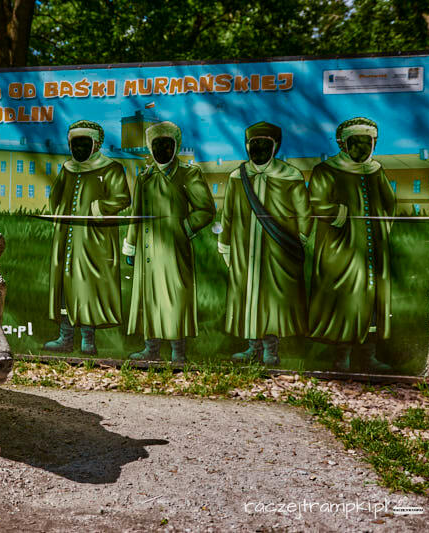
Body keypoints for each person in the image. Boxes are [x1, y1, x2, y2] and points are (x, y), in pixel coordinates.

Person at [218, 121, 311, 365]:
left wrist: (299, 240)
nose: (258, 149)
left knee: (274, 298)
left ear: (275, 146)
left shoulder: (291, 175)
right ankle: (252, 346)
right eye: (254, 144)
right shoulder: (238, 177)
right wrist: (225, 243)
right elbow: (227, 213)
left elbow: (304, 213)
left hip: (278, 249)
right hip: (244, 247)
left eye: (264, 144)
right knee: (247, 296)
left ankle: (271, 349)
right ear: (247, 146)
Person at [122, 121, 215, 362]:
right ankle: (151, 349)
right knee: (149, 296)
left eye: (167, 144)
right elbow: (137, 214)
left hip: (174, 249)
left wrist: (183, 228)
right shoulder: (145, 177)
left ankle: (178, 352)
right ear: (149, 147)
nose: (162, 149)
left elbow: (205, 210)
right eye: (157, 144)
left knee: (175, 296)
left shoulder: (188, 173)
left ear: (176, 146)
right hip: (147, 249)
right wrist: (130, 243)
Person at [308, 117, 394, 372]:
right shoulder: (326, 170)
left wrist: (381, 228)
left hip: (373, 251)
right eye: (356, 142)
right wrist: (341, 215)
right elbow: (317, 202)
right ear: (344, 144)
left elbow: (389, 203)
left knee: (373, 302)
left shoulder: (376, 170)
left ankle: (369, 356)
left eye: (368, 142)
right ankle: (341, 358)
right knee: (345, 300)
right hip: (340, 249)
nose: (363, 148)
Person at [43, 120, 131, 355]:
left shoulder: (110, 168)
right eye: (75, 143)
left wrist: (96, 209)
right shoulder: (68, 168)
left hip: (95, 239)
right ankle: (65, 337)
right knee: (64, 287)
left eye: (84, 143)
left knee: (88, 288)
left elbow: (122, 197)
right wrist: (59, 214)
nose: (79, 149)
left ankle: (88, 340)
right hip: (66, 238)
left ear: (96, 144)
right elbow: (56, 198)